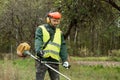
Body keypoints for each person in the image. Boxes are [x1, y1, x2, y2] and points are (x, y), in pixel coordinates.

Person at [35, 11, 70, 80]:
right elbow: (38, 40)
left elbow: (62, 47)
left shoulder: (59, 33)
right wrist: (38, 51)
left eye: (57, 21)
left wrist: (64, 60)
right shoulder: (41, 29)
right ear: (49, 20)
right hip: (42, 59)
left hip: (54, 61)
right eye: (54, 21)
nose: (56, 23)